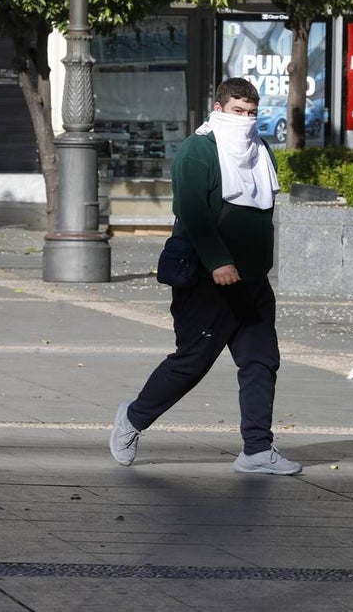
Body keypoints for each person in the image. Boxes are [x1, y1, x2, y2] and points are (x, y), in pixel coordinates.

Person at [110, 77, 301, 475]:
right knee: (192, 362)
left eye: (252, 112)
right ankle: (133, 418)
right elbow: (192, 212)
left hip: (251, 282)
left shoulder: (260, 151)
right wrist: (218, 261)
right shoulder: (198, 151)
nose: (245, 119)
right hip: (207, 280)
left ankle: (257, 449)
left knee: (261, 362)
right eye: (237, 111)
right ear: (218, 108)